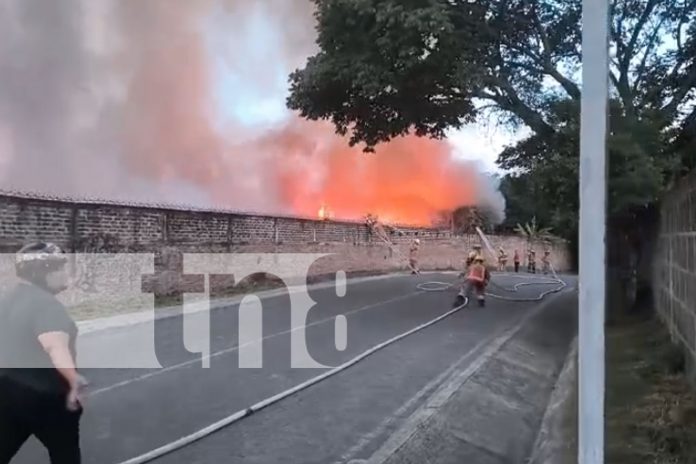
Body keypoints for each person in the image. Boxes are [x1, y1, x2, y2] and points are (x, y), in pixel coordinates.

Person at [0, 242, 88, 464]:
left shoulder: (5, 300)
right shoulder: (46, 305)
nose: (65, 273)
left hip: (7, 393)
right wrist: (73, 379)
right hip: (48, 399)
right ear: (42, 272)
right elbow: (54, 345)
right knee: (65, 455)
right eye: (59, 267)